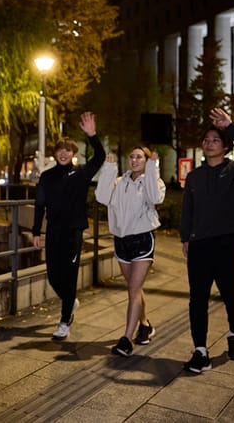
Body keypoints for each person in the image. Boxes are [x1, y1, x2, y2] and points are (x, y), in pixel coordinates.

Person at [180, 107, 234, 373]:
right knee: (197, 299)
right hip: (200, 245)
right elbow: (188, 210)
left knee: (232, 296)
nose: (209, 143)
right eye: (206, 140)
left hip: (228, 245)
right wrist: (185, 238)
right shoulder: (194, 177)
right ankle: (200, 351)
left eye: (215, 140)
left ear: (225, 147)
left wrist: (231, 126)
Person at [32, 112, 106, 340]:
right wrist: (36, 231)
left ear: (74, 153)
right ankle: (70, 300)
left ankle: (64, 321)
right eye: (59, 150)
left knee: (70, 275)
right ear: (55, 154)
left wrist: (92, 135)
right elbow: (39, 204)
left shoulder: (82, 173)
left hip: (73, 233)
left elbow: (100, 156)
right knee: (53, 275)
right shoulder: (47, 176)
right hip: (53, 232)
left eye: (68, 150)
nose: (63, 153)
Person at [95, 146, 166, 357]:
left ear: (146, 160)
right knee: (134, 288)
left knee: (133, 291)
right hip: (122, 240)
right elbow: (101, 197)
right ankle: (144, 324)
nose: (134, 160)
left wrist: (153, 169)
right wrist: (108, 169)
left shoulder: (154, 182)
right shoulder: (119, 182)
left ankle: (126, 339)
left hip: (143, 238)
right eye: (132, 156)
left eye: (140, 157)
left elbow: (155, 198)